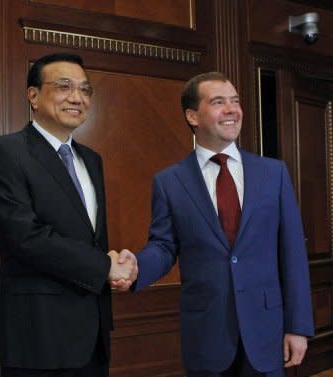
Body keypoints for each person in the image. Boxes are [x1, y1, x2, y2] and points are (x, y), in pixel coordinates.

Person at [114, 72, 314, 376]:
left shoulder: (273, 174)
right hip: (206, 334)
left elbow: (293, 254)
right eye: (219, 102)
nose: (232, 109)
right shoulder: (170, 182)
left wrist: (298, 326)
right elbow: (165, 246)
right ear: (192, 115)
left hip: (266, 331)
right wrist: (137, 266)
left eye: (235, 101)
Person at [0, 52, 138, 377]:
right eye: (64, 87)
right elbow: (25, 238)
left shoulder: (91, 160)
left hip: (93, 336)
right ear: (33, 95)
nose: (77, 98)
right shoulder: (5, 152)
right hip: (39, 337)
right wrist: (105, 265)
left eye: (85, 90)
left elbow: (90, 238)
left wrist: (118, 264)